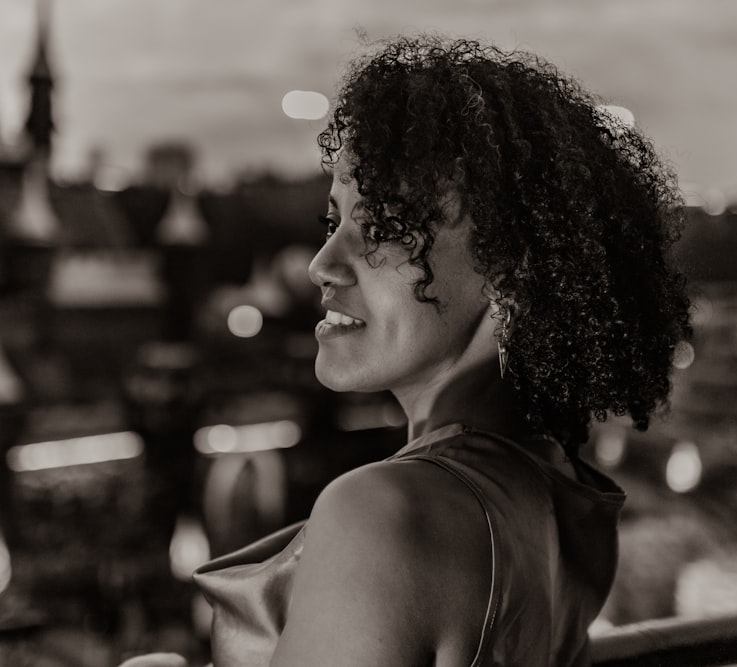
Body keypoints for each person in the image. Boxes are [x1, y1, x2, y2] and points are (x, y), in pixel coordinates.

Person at [122, 33, 691, 667]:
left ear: (514, 269)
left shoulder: (383, 515)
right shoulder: (562, 499)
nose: (321, 264)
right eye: (333, 220)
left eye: (385, 228)